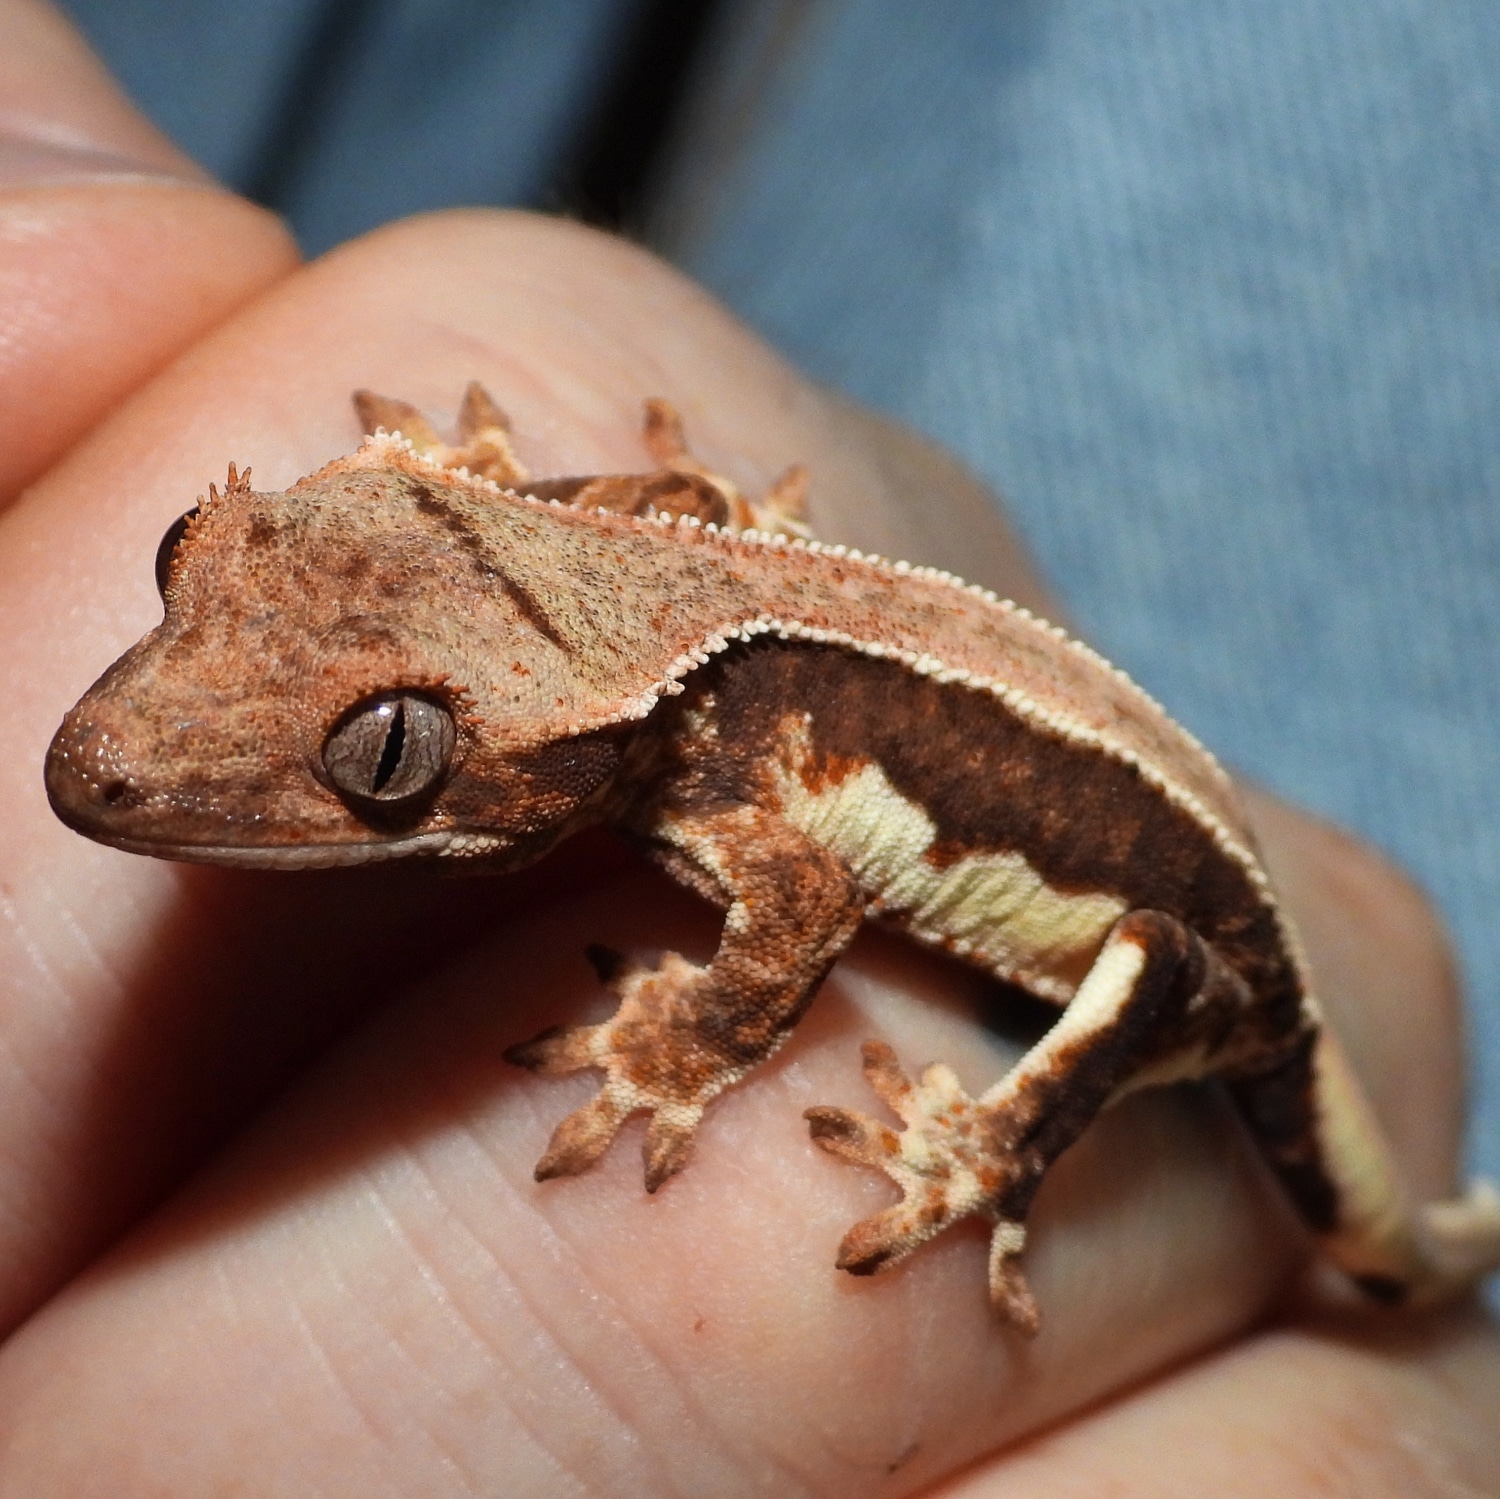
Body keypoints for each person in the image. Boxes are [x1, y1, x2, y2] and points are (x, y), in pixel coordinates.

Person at [0, 0, 1494, 1489]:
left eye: (387, 759)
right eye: (195, 563)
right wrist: (506, 522)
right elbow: (696, 517)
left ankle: (1128, 1188)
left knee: (1158, 982)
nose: (122, 749)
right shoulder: (662, 669)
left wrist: (710, 1045)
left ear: (567, 748)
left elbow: (805, 901)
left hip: (1180, 950)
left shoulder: (714, 762)